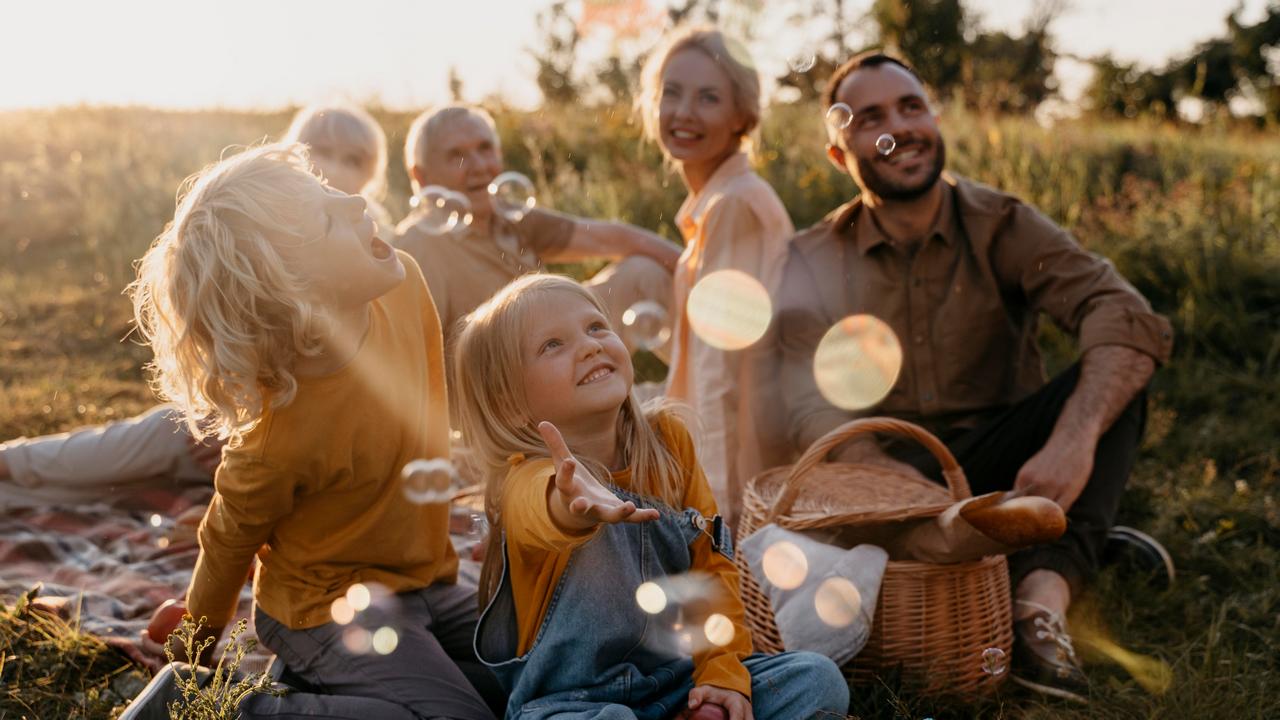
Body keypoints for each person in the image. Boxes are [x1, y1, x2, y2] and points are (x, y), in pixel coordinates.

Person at [772, 51, 1174, 703]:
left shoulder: (1003, 225)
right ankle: (1056, 542)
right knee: (861, 522)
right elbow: (804, 401)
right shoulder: (812, 259)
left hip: (1007, 459)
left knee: (1112, 380)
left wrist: (1071, 441)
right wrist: (874, 470)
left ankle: (1037, 604)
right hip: (894, 478)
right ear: (838, 154)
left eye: (911, 106)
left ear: (935, 119)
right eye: (870, 116)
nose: (899, 126)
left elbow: (1124, 314)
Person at [123, 143, 502, 718]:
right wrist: (196, 654)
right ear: (293, 288)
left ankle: (320, 682)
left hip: (425, 577)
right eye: (328, 216)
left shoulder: (405, 288)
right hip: (319, 608)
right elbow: (227, 542)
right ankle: (210, 708)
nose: (353, 200)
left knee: (539, 673)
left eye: (329, 190)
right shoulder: (278, 438)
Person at [453, 273, 849, 720]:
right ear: (510, 402)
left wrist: (721, 675)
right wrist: (570, 507)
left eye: (596, 327)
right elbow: (538, 510)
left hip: (679, 684)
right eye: (552, 345)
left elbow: (712, 568)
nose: (590, 346)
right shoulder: (526, 479)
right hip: (570, 705)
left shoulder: (668, 444)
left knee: (816, 677)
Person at [0, 105, 393, 505]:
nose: (336, 166)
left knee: (139, 474)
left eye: (354, 159)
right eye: (321, 151)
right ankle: (14, 462)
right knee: (142, 439)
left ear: (372, 173)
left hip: (314, 440)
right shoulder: (270, 237)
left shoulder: (383, 246)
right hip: (239, 415)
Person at [636, 26, 794, 526]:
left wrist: (716, 519)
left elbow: (719, 375)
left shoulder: (733, 207)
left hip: (743, 464)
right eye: (672, 93)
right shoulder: (719, 204)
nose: (684, 112)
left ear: (740, 117)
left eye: (708, 98)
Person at [394, 104, 682, 365]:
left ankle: (708, 385)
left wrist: (701, 272)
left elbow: (609, 238)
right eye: (456, 155)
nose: (479, 166)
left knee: (645, 272)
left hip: (558, 350)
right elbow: (415, 359)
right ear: (421, 176)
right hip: (504, 389)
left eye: (484, 148)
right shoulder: (418, 244)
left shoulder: (506, 215)